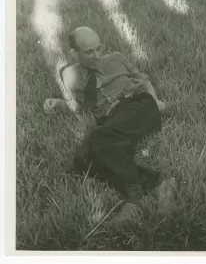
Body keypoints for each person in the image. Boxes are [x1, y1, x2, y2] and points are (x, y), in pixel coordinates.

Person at [43, 26, 177, 227]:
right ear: (74, 53)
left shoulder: (116, 58)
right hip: (112, 122)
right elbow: (78, 106)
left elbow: (144, 82)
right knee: (82, 158)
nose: (96, 55)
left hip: (137, 104)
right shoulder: (69, 75)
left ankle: (135, 199)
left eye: (99, 49)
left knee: (99, 138)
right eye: (89, 52)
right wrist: (57, 104)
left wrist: (157, 103)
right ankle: (160, 185)